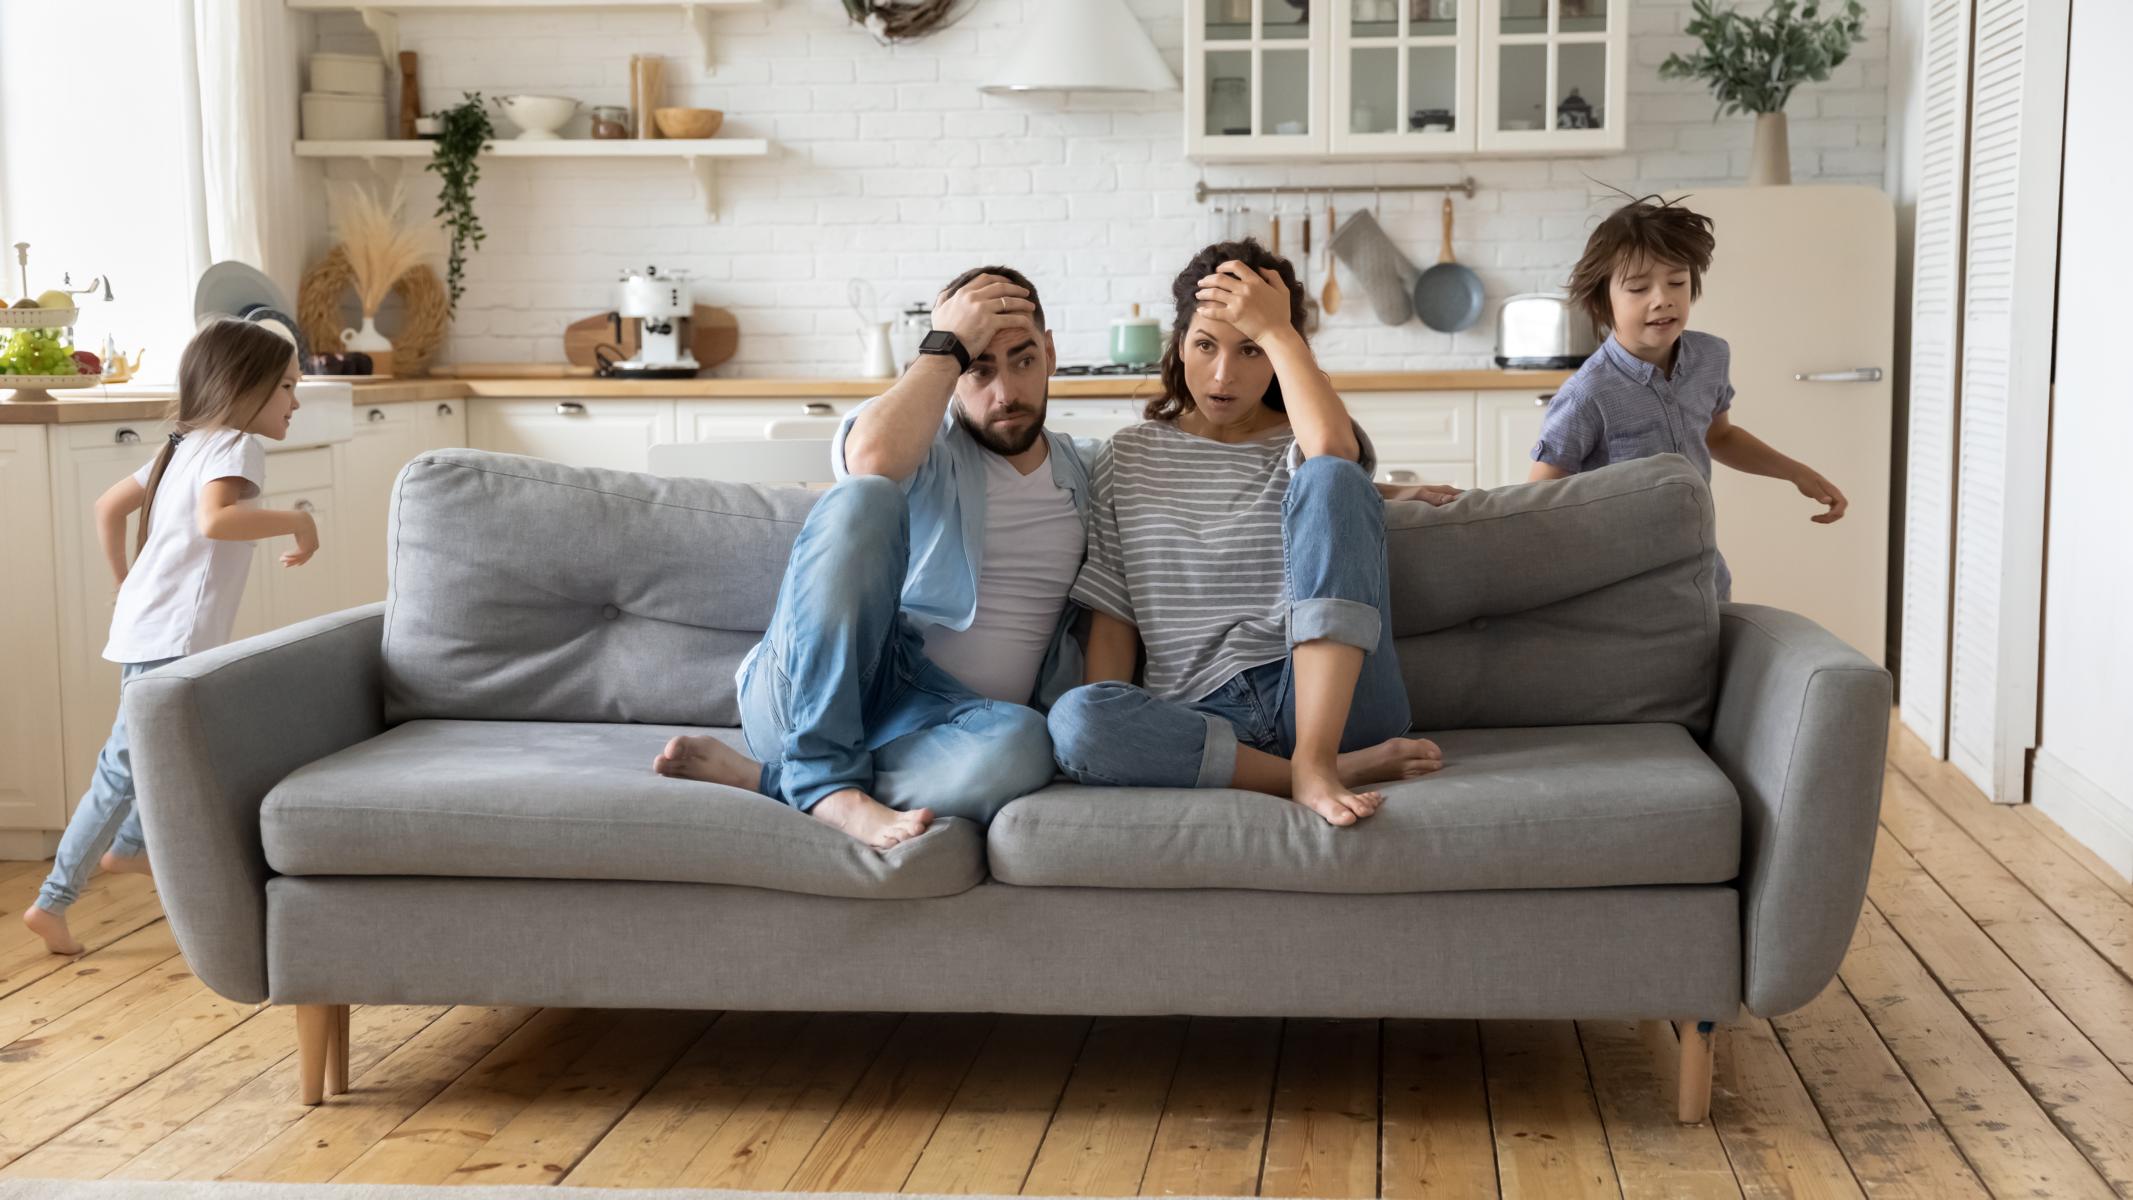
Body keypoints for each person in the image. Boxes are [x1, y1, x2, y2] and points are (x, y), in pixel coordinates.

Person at [652, 266, 1089, 851]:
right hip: (813, 694)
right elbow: (872, 458)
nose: (1005, 392)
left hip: (944, 728)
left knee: (1027, 746)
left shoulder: (1087, 474)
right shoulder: (921, 446)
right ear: (951, 370)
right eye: (979, 370)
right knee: (866, 494)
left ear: (1052, 351)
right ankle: (824, 776)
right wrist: (945, 348)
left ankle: (778, 782)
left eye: (1024, 360)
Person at [1045, 240, 1446, 827]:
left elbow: (1333, 458)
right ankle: (1327, 771)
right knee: (1076, 720)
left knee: (1333, 476)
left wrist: (1280, 330)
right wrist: (1118, 720)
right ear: (1179, 344)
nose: (1223, 375)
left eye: (1252, 349)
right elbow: (1114, 618)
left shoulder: (1308, 438)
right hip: (1205, 717)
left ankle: (1316, 757)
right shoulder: (1127, 455)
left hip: (1330, 699)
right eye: (1205, 345)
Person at [23, 319, 318, 955]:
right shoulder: (237, 446)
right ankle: (52, 899)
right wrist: (299, 521)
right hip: (172, 635)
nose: (297, 401)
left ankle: (129, 849)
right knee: (124, 765)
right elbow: (218, 521)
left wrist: (125, 582)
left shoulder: (182, 444)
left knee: (170, 748)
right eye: (288, 387)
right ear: (246, 387)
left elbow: (108, 506)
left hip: (151, 625)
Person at [1529, 195, 1848, 599]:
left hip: (1700, 568)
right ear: (1602, 301)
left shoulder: (1711, 357)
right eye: (1638, 288)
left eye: (1677, 282)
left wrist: (1798, 473)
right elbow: (1540, 499)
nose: (1662, 298)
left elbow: (1719, 437)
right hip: (1619, 585)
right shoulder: (1587, 394)